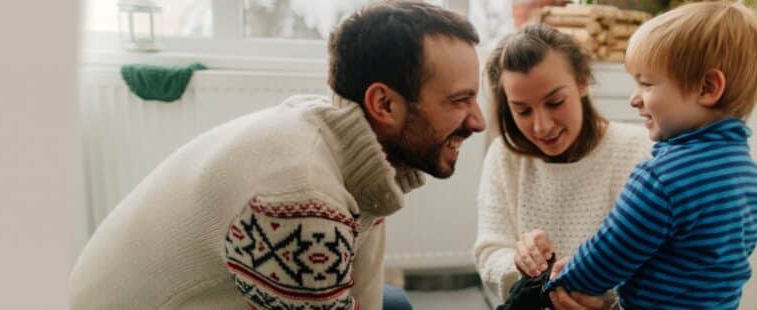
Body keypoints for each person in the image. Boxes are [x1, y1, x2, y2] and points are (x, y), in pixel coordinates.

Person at [69, 1, 485, 309]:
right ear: (384, 105)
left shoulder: (338, 139)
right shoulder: (300, 197)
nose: (479, 121)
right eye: (460, 100)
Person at [545, 2, 757, 309]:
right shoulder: (754, 180)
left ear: (707, 87)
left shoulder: (663, 178)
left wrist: (561, 281)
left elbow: (608, 255)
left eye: (647, 83)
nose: (634, 99)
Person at [473, 24, 653, 309]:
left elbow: (658, 265)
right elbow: (489, 252)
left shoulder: (638, 149)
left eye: (555, 102)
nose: (542, 126)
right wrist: (520, 263)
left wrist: (606, 303)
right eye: (522, 110)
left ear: (582, 82)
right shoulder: (503, 157)